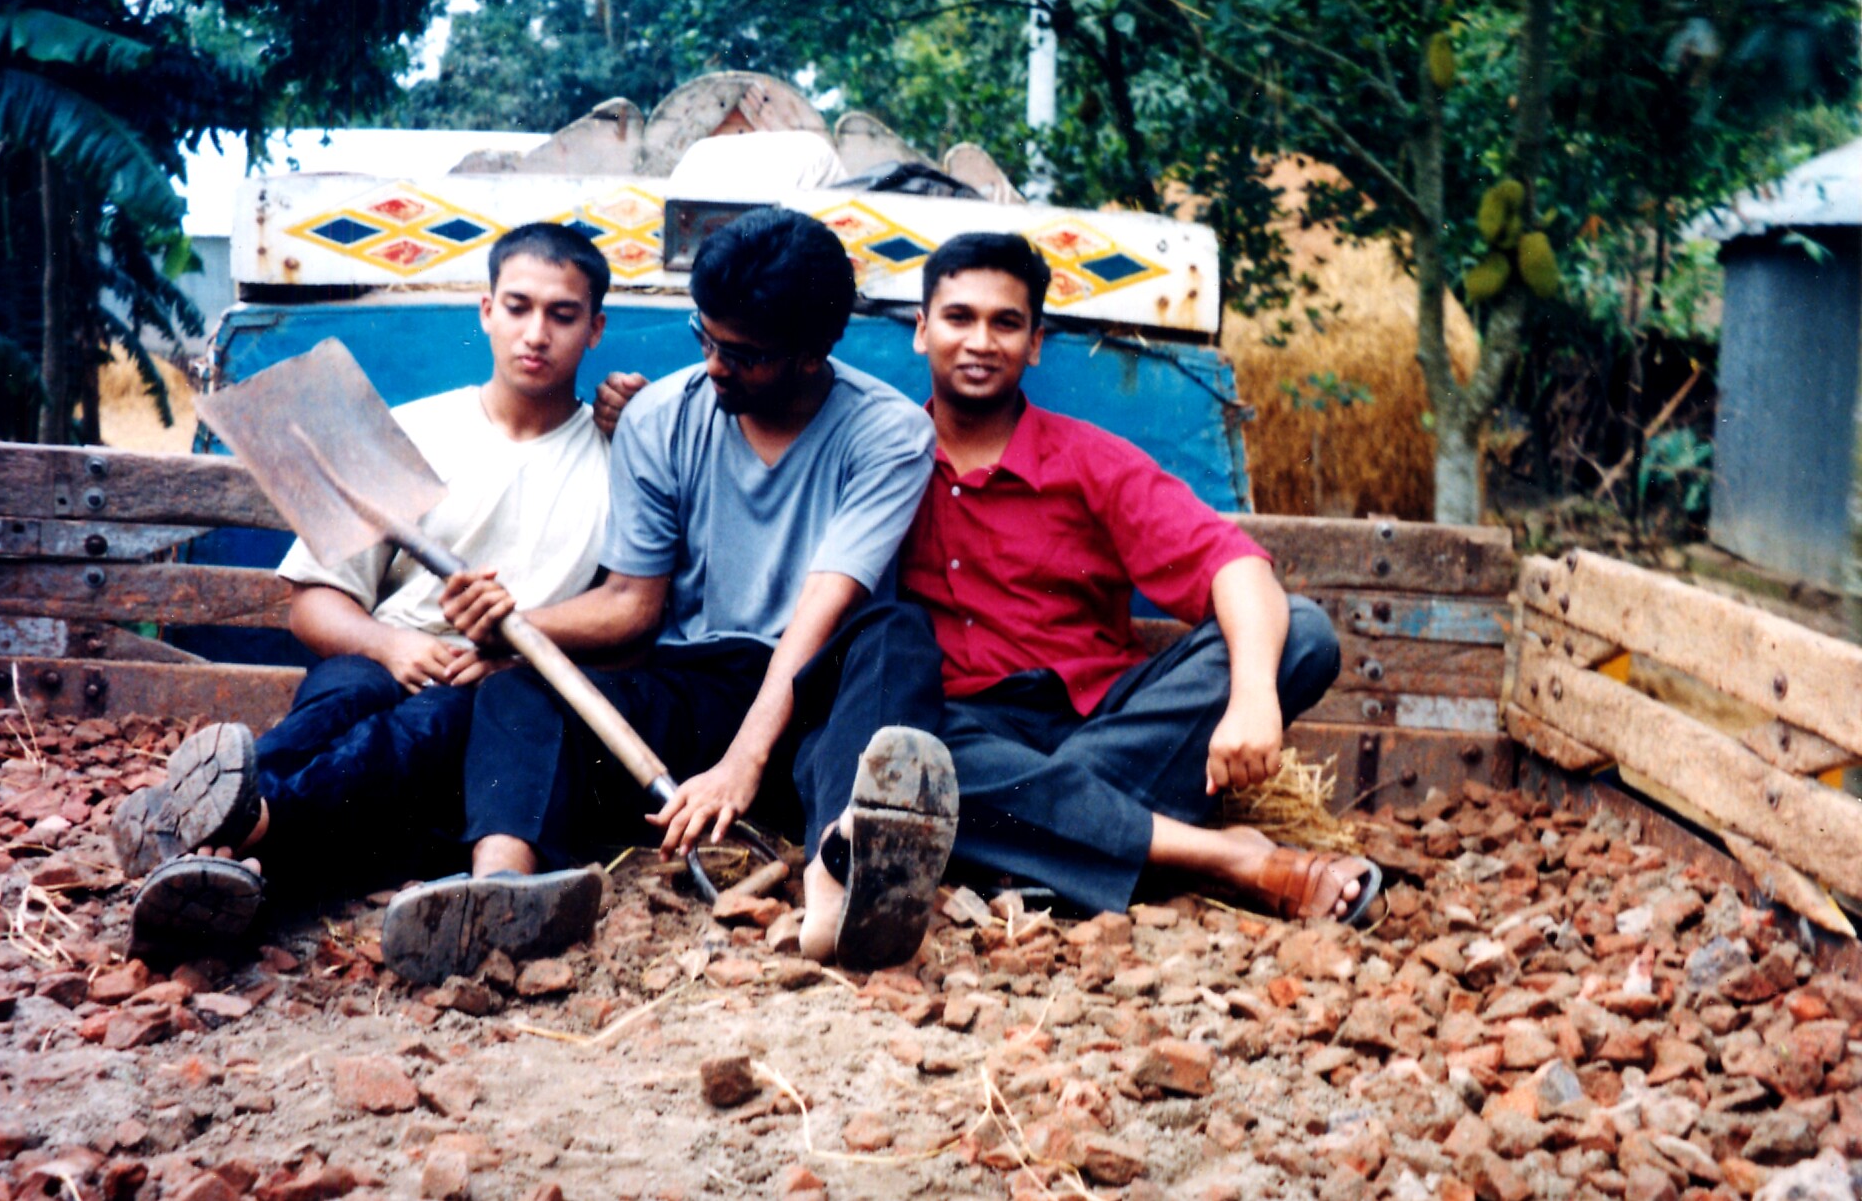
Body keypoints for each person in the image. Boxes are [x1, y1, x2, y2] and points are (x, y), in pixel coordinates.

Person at [389, 207, 955, 982]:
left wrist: (741, 765)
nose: (717, 366)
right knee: (520, 693)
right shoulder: (662, 416)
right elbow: (635, 603)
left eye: (746, 356)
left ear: (813, 350)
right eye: (706, 338)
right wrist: (509, 632)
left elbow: (822, 609)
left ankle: (840, 880)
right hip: (698, 682)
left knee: (896, 631)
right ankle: (501, 888)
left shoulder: (887, 431)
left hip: (821, 696)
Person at [807, 231, 1381, 934]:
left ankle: (1038, 844)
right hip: (968, 727)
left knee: (1301, 634)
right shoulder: (886, 463)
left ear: (1036, 342)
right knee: (907, 757)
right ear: (923, 332)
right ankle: (1223, 857)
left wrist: (1255, 698)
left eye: (1006, 322)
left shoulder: (1090, 459)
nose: (981, 340)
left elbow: (1236, 567)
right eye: (959, 317)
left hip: (1105, 719)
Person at [111, 223, 618, 954]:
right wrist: (393, 642)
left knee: (428, 724)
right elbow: (312, 604)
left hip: (497, 693)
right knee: (345, 694)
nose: (535, 332)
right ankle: (230, 845)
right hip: (383, 656)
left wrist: (516, 649)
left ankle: (224, 834)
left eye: (562, 314)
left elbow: (629, 614)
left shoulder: (616, 458)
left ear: (595, 328)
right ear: (485, 311)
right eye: (518, 307)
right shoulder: (411, 431)